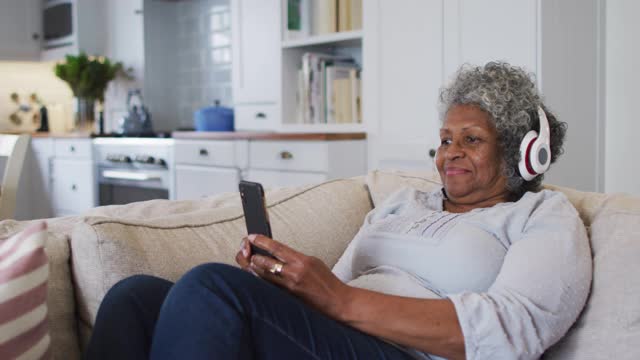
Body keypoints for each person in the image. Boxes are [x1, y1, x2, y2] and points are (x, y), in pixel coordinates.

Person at [85, 62, 592, 360]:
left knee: (208, 287)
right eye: (443, 140)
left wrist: (340, 301)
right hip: (338, 337)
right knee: (134, 297)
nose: (449, 153)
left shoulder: (542, 215)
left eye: (471, 140)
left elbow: (511, 330)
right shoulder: (404, 202)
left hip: (406, 354)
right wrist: (286, 278)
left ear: (525, 153)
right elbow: (335, 289)